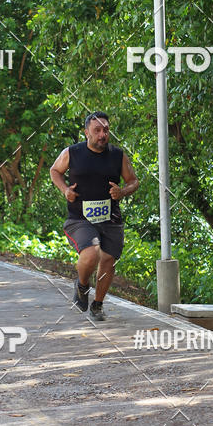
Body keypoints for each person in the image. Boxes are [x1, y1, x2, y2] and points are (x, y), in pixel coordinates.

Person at [50, 111, 139, 321]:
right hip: (80, 219)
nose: (102, 134)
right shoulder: (72, 152)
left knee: (108, 261)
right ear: (86, 132)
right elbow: (55, 171)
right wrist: (65, 190)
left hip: (111, 219)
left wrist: (122, 191)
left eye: (106, 130)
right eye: (97, 130)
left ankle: (97, 305)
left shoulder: (118, 155)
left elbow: (133, 181)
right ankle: (82, 285)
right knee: (92, 253)